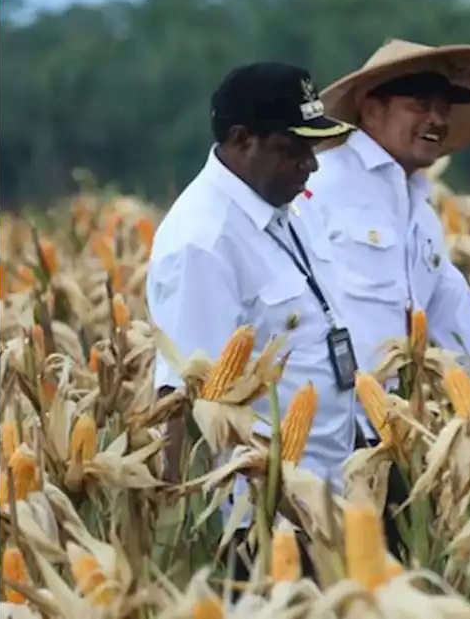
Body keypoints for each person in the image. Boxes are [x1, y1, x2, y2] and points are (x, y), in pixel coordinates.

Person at [147, 62, 358, 583]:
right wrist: (187, 540)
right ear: (242, 141)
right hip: (263, 524)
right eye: (294, 149)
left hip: (327, 499)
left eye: (314, 148)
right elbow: (191, 403)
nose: (311, 165)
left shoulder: (282, 208)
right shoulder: (203, 241)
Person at [306, 38, 470, 389]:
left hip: (393, 426)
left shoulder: (421, 215)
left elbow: (459, 318)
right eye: (420, 104)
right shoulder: (319, 185)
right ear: (372, 109)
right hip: (327, 422)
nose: (437, 119)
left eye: (444, 107)